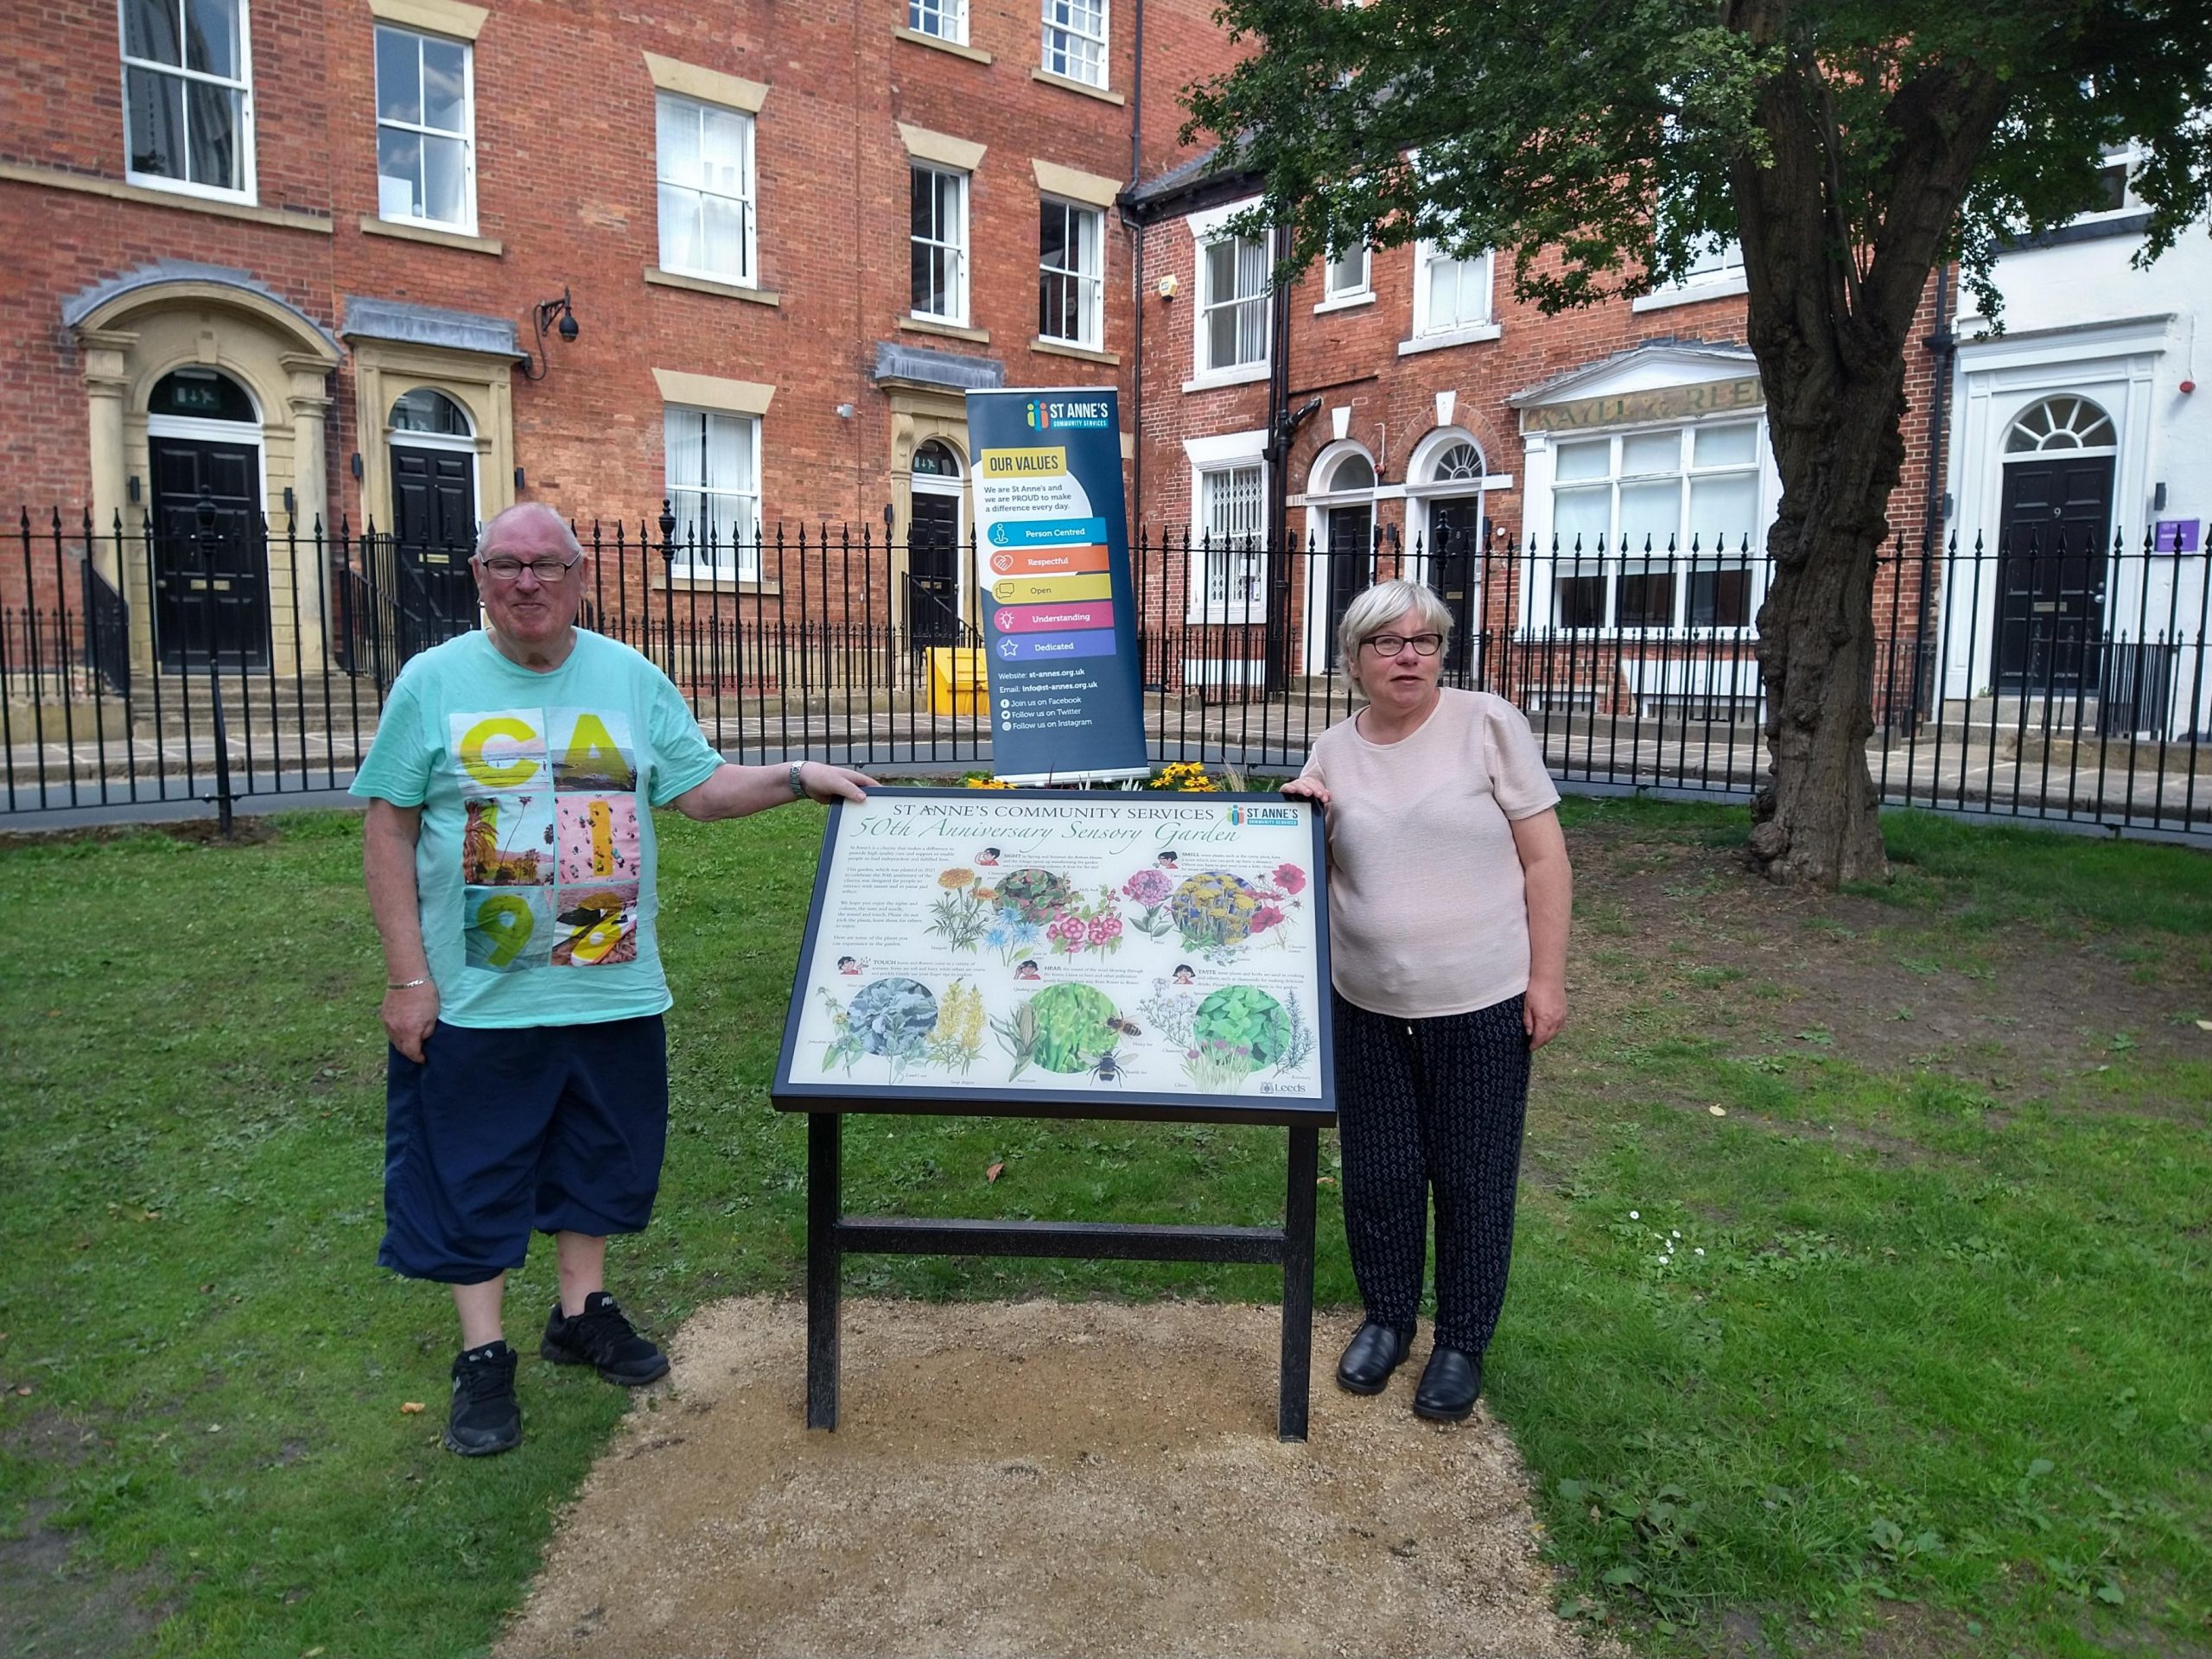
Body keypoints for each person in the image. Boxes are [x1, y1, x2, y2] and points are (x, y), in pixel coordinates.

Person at [353, 502, 874, 1457]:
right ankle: (482, 1357)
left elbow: (700, 789)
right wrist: (405, 978)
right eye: (507, 564)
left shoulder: (628, 678)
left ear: (578, 576)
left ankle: (580, 1313)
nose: (527, 582)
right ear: (478, 576)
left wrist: (797, 777)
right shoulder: (432, 683)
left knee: (598, 1159)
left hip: (607, 985)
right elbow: (386, 827)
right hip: (477, 998)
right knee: (473, 1174)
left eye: (546, 564)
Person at [1282, 578, 1570, 1422]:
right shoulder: (1333, 747)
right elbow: (1311, 865)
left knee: (1473, 1178)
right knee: (1381, 1174)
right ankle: (1387, 1320)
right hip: (1364, 1003)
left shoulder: (1488, 726)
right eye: (1387, 642)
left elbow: (1546, 863)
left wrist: (1545, 981)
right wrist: (1299, 819)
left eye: (1425, 640)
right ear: (1354, 661)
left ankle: (1461, 1340)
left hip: (1481, 999)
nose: (1408, 655)